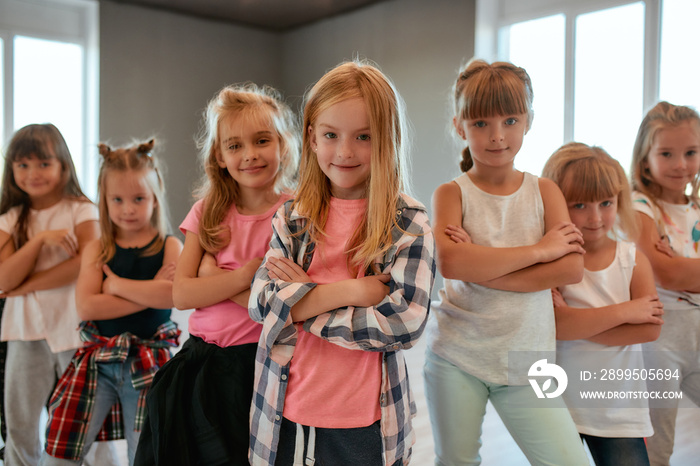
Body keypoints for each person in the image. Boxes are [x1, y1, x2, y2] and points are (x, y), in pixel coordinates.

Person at [248, 60, 435, 466]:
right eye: (331, 135)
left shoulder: (408, 223)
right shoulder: (292, 217)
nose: (345, 151)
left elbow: (403, 324)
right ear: (312, 138)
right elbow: (261, 303)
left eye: (364, 136)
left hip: (365, 422)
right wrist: (348, 292)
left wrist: (299, 308)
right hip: (284, 410)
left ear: (387, 140)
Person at [423, 59, 590, 465]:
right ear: (459, 126)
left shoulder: (545, 191)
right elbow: (452, 263)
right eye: (480, 124)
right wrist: (542, 251)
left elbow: (571, 270)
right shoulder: (450, 194)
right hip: (456, 356)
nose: (497, 136)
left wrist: (481, 265)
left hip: (529, 361)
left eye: (510, 120)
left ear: (528, 120)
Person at [134, 83, 300, 466]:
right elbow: (181, 296)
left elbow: (279, 304)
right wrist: (243, 275)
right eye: (235, 146)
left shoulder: (295, 213)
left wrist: (212, 277)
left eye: (262, 141)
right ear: (220, 156)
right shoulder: (208, 211)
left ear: (283, 145)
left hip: (259, 363)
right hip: (203, 360)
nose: (250, 155)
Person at [38, 139, 182, 466]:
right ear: (104, 200)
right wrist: (149, 290)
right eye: (117, 199)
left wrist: (115, 286)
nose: (127, 208)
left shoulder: (171, 245)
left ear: (155, 198)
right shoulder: (98, 248)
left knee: (145, 451)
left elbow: (171, 297)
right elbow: (88, 307)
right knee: (60, 448)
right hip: (99, 359)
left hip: (149, 360)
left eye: (138, 199)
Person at [0, 124, 119, 466]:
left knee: (86, 421)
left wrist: (24, 286)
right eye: (22, 165)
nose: (32, 173)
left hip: (75, 328)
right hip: (24, 332)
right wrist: (39, 241)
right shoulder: (11, 218)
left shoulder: (81, 209)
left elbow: (86, 259)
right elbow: (3, 276)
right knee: (21, 424)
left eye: (43, 163)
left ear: (63, 165)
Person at [542, 142, 664, 466]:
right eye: (579, 205)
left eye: (606, 203)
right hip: (560, 406)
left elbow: (649, 331)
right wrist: (625, 312)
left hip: (620, 411)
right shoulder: (553, 261)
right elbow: (557, 326)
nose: (595, 217)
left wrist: (573, 321)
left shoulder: (633, 259)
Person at [629, 101, 700, 465]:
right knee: (658, 438)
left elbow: (679, 272)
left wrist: (685, 268)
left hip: (696, 329)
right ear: (645, 159)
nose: (680, 164)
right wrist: (681, 269)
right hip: (661, 337)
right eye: (667, 153)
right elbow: (666, 275)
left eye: (691, 152)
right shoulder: (641, 207)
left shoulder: (697, 208)